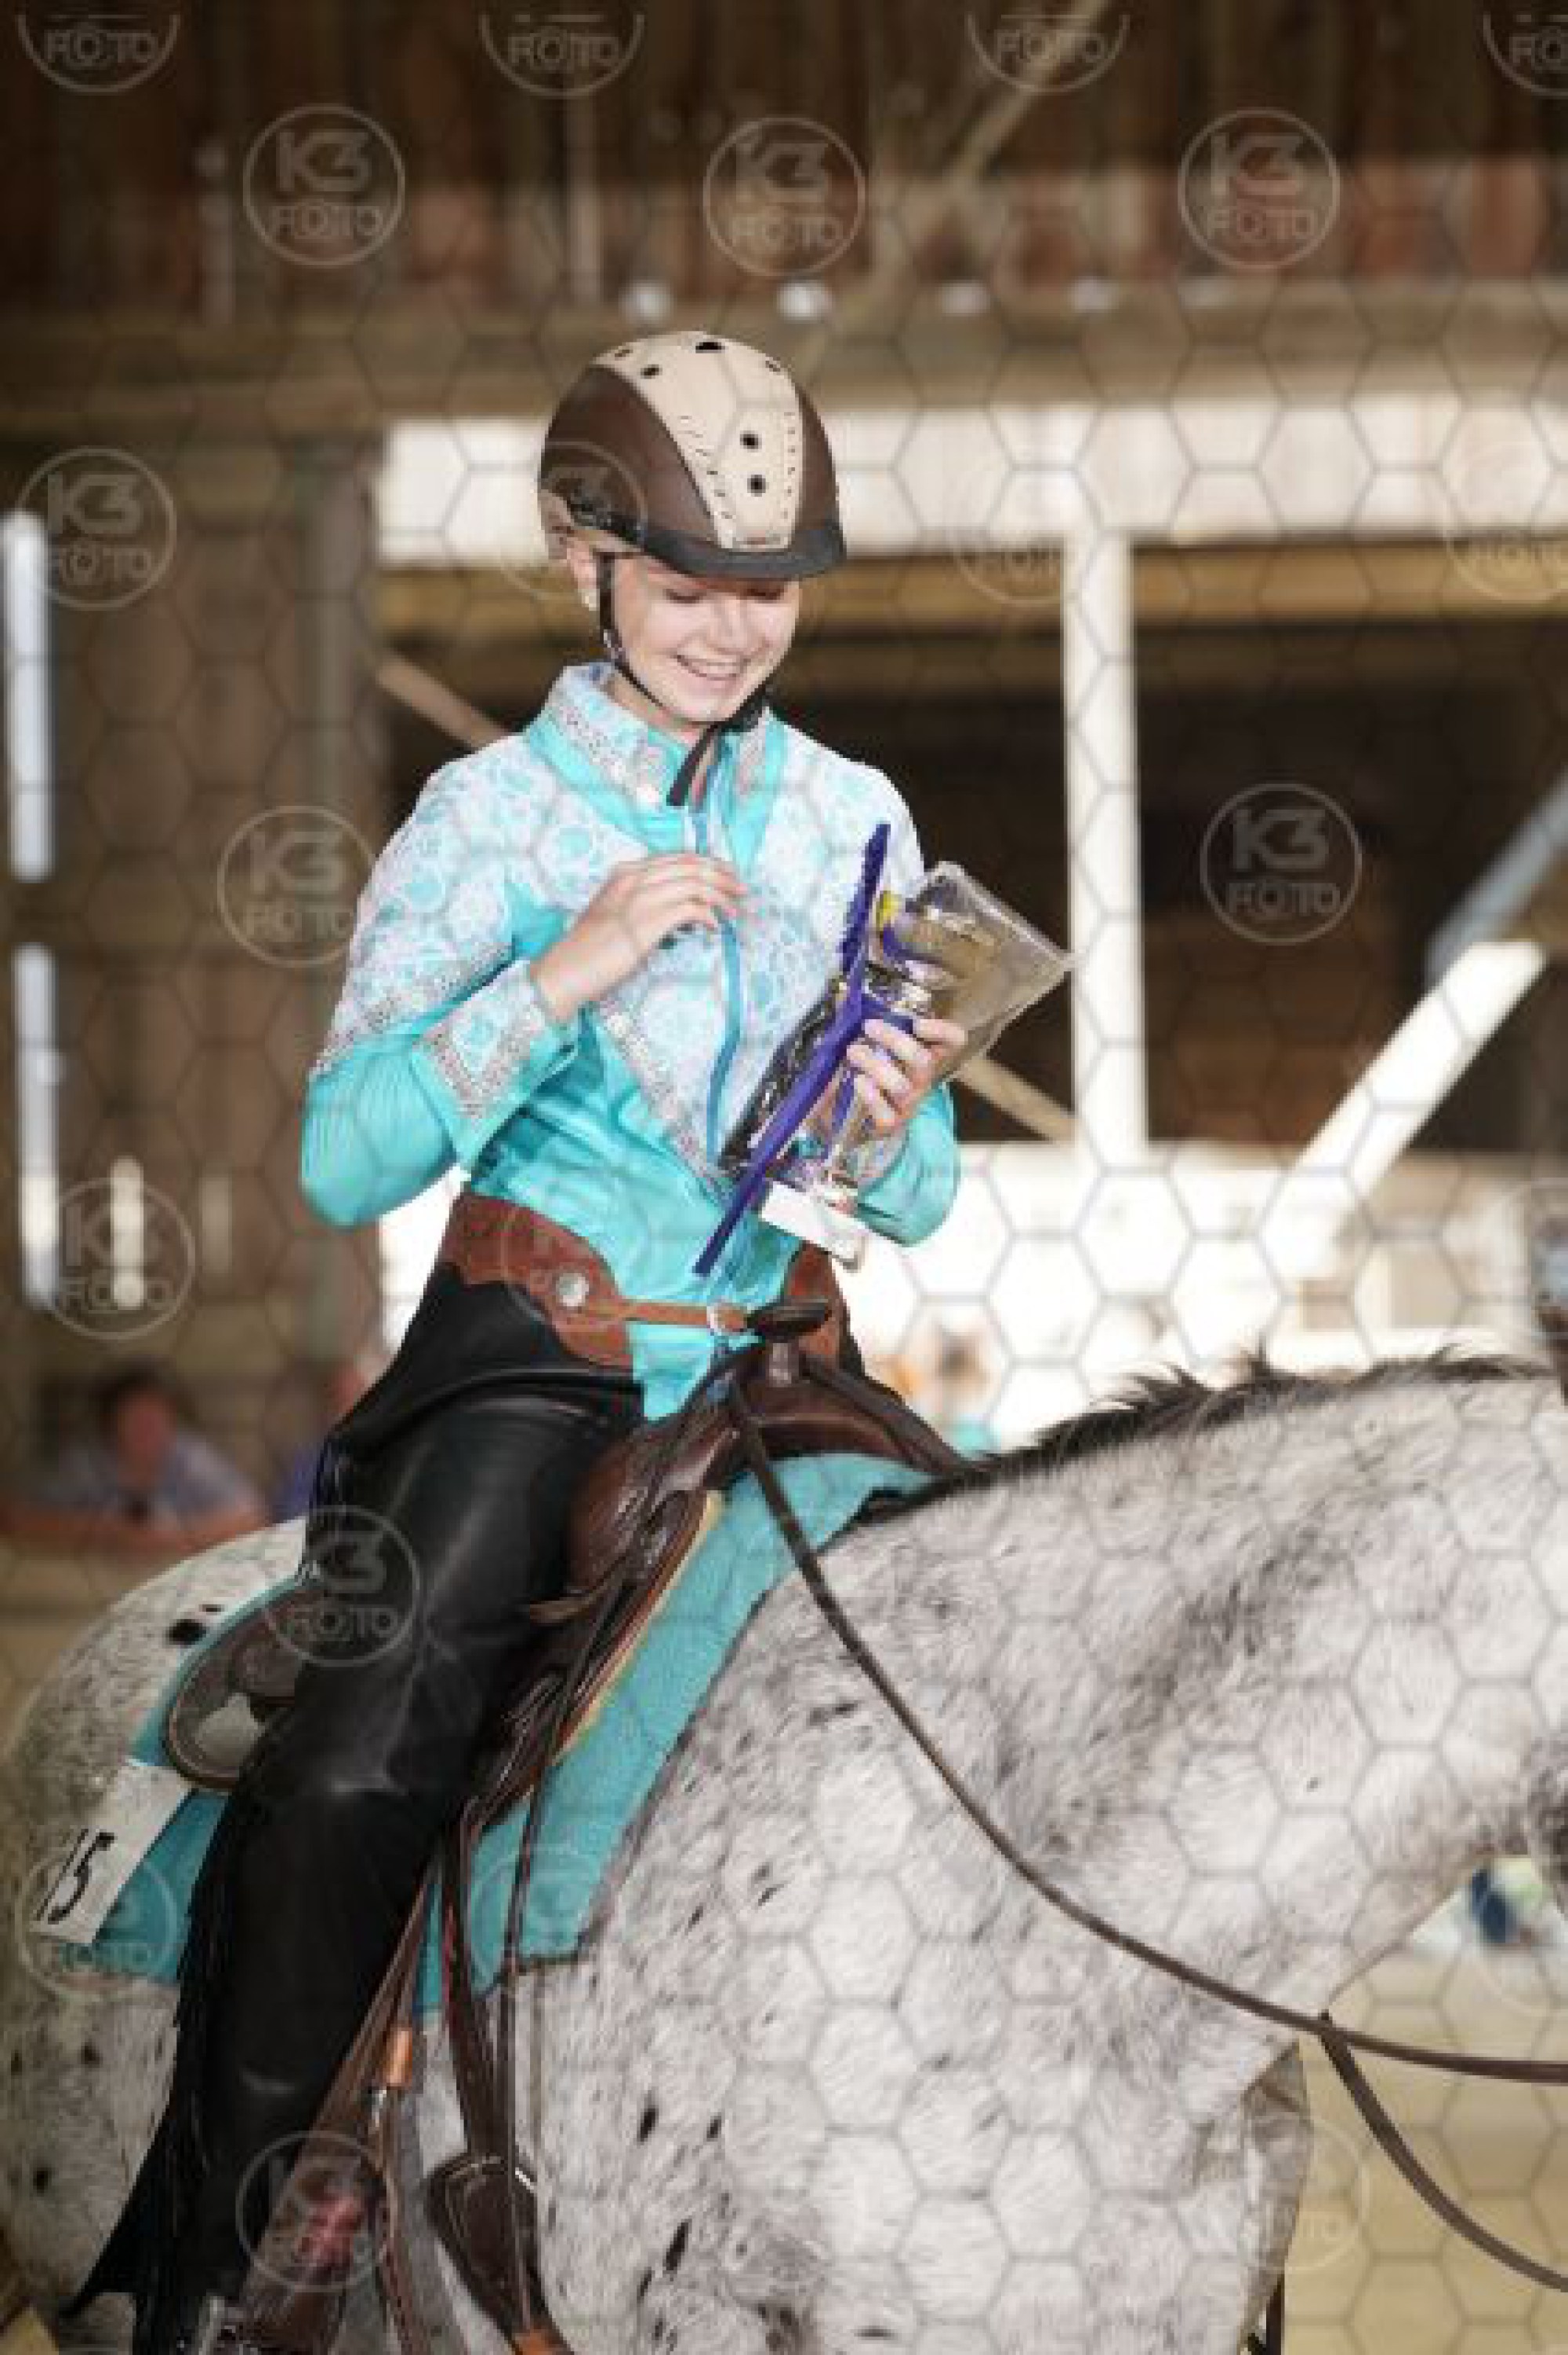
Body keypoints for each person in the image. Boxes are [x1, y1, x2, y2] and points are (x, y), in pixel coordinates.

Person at [66, 328, 967, 2355]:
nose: (731, 624)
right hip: (536, 1359)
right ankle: (229, 2267)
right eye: (687, 580)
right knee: (364, 1750)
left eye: (767, 586)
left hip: (785, 1364)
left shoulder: (857, 814)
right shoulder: (483, 817)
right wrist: (567, 967)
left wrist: (901, 1121)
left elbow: (917, 1196)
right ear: (585, 559)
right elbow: (338, 1154)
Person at [2, 1360, 265, 1569]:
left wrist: (168, 1538)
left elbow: (252, 1517)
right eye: (135, 1418)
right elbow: (15, 1517)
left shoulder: (189, 1459)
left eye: (157, 1416)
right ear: (111, 1422)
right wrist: (107, 1531)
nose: (148, 1428)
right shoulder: (87, 1464)